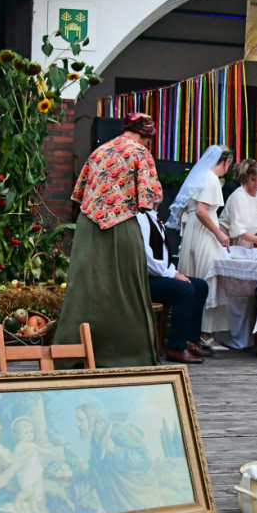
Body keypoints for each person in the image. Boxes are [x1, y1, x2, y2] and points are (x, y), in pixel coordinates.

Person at [55, 112, 161, 367]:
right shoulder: (140, 153)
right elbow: (152, 199)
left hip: (87, 226)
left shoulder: (99, 151)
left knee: (85, 288)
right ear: (146, 134)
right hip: (121, 226)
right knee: (126, 288)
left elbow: (80, 194)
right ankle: (128, 356)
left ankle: (71, 353)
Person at [136, 187, 212, 364]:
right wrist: (172, 275)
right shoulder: (141, 218)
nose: (157, 192)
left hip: (159, 275)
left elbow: (162, 256)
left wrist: (174, 272)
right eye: (151, 189)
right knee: (184, 289)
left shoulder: (156, 218)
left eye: (160, 188)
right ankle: (176, 348)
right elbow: (147, 259)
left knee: (200, 286)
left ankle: (189, 340)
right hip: (146, 280)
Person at [168, 145, 234, 344]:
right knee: (207, 278)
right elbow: (201, 211)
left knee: (194, 276)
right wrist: (219, 234)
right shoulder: (211, 178)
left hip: (193, 232)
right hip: (204, 233)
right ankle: (204, 333)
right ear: (226, 162)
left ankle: (192, 332)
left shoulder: (201, 176)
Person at [213, 160, 257, 349]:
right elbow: (237, 230)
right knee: (234, 291)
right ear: (246, 178)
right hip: (230, 243)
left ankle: (247, 335)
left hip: (248, 243)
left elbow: (251, 224)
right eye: (254, 180)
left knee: (249, 292)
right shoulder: (238, 197)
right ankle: (229, 333)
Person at [75, 403, 161, 513]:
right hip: (116, 503)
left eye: (80, 420)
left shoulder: (115, 431)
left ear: (91, 420)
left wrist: (115, 449)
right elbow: (98, 470)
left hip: (136, 498)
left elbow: (143, 459)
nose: (77, 424)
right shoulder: (95, 438)